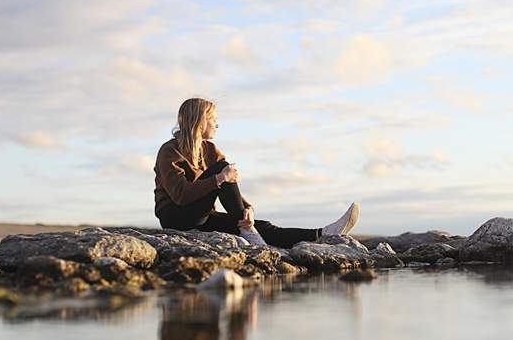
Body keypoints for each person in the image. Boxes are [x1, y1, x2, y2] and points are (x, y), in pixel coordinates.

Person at [154, 97, 359, 248]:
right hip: (176, 218)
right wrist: (219, 177)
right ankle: (248, 231)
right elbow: (181, 195)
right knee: (223, 171)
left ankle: (323, 234)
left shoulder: (210, 150)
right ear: (199, 121)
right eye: (213, 119)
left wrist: (247, 209)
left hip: (203, 216)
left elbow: (227, 183)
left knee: (262, 225)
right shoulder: (169, 151)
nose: (217, 124)